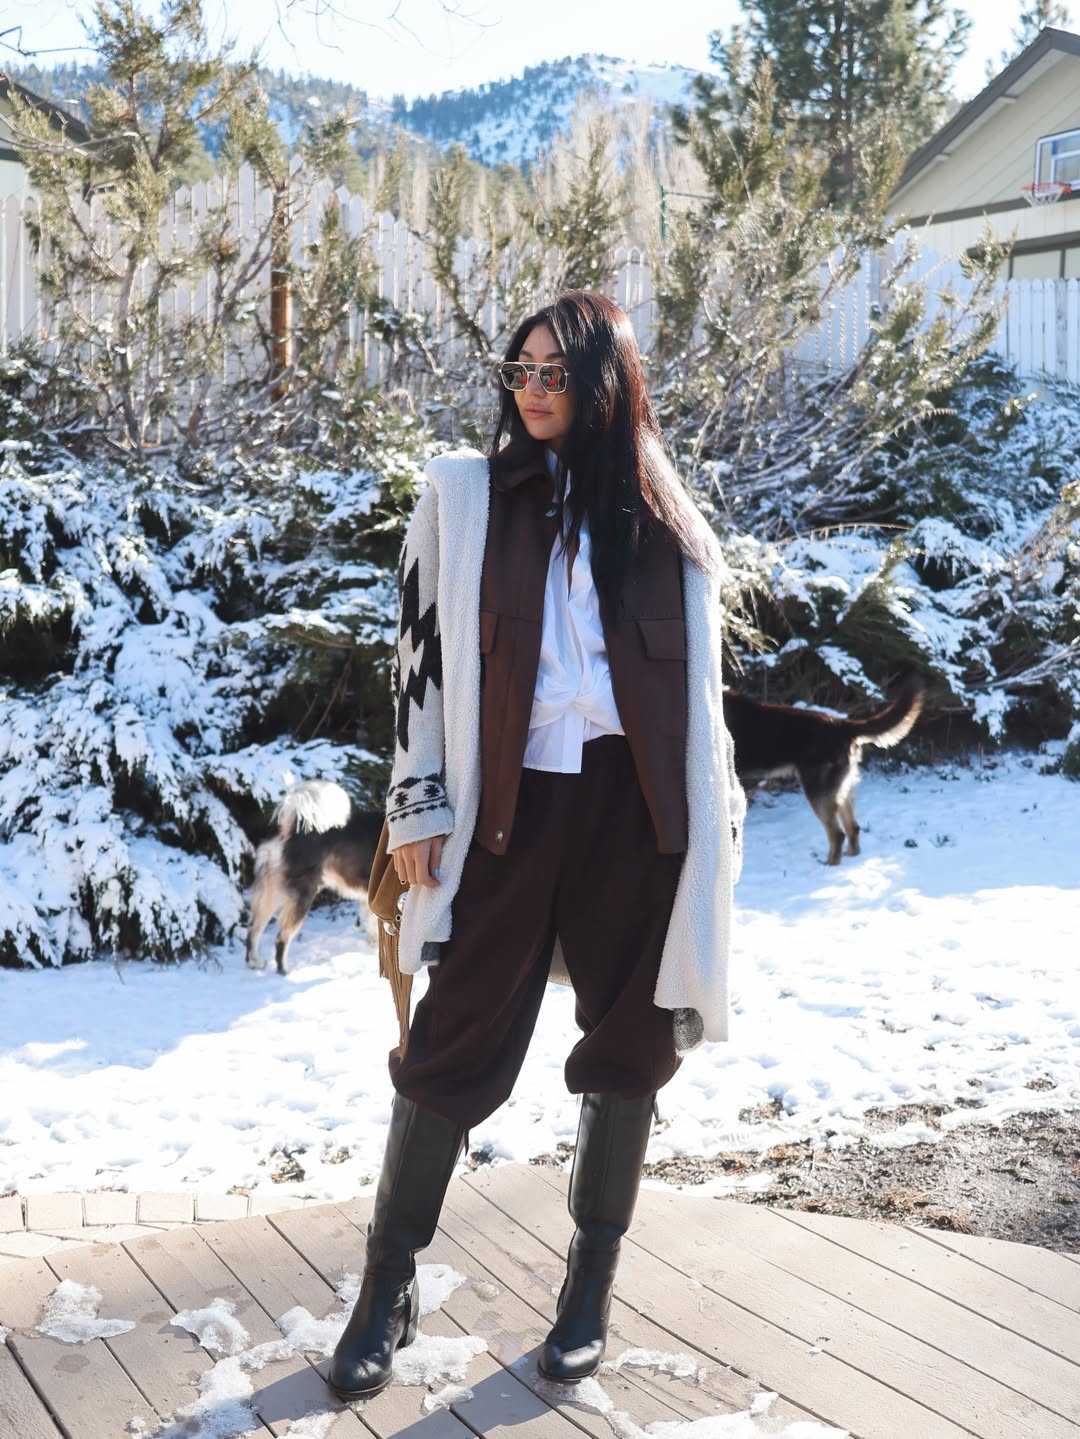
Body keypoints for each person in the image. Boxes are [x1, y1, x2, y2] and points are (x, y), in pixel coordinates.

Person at [327, 290, 744, 1400]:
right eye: (521, 370)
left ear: (607, 383)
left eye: (558, 372)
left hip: (634, 817)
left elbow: (701, 706)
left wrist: (710, 839)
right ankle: (385, 1287)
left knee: (631, 1041)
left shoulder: (666, 522)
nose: (534, 390)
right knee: (452, 1035)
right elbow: (416, 661)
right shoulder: (465, 500)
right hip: (509, 808)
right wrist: (419, 801)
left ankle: (588, 1288)